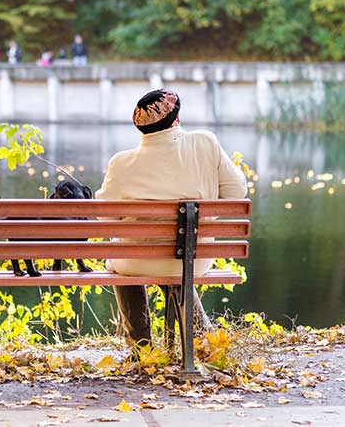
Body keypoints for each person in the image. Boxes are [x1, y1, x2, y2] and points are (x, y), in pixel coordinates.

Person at [95, 89, 248, 348]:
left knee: (123, 257)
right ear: (176, 119)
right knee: (178, 255)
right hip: (193, 259)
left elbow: (105, 215)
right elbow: (236, 192)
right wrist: (199, 220)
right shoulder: (206, 143)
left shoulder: (121, 163)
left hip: (137, 264)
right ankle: (202, 339)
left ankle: (141, 347)